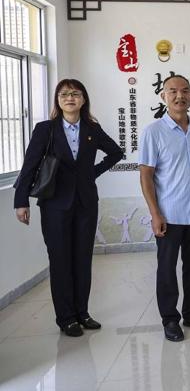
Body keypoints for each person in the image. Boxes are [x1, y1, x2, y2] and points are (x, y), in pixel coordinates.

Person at [14, 79, 123, 337]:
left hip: (86, 203)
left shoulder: (92, 128)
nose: (70, 98)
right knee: (60, 260)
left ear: (83, 99)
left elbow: (116, 153)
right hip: (55, 203)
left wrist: (91, 173)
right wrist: (21, 201)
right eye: (64, 94)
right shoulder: (46, 129)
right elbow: (30, 165)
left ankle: (82, 313)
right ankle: (66, 318)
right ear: (58, 100)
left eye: (75, 94)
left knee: (83, 259)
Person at [139, 74, 190, 342]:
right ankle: (170, 319)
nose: (179, 96)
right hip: (169, 214)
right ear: (164, 96)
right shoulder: (153, 132)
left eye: (184, 91)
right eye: (173, 91)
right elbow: (146, 175)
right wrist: (155, 213)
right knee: (167, 269)